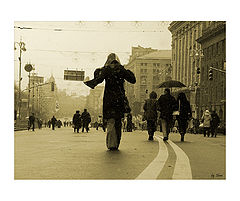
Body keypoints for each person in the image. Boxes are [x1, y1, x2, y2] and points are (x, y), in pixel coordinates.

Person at [84, 53, 136, 150]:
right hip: (119, 99)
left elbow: (97, 80)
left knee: (111, 120)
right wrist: (126, 70)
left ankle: (111, 143)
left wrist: (90, 82)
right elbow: (133, 80)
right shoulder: (120, 69)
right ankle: (116, 143)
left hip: (109, 99)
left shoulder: (106, 69)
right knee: (118, 121)